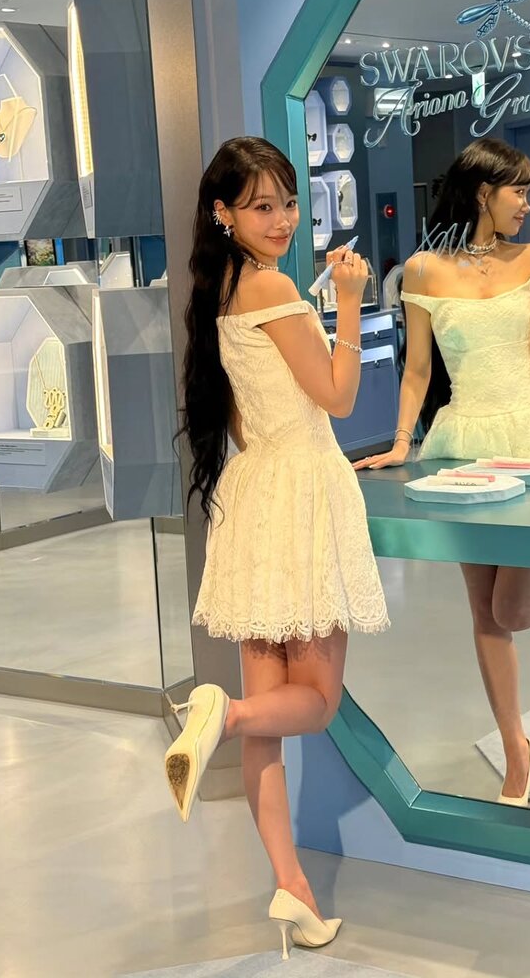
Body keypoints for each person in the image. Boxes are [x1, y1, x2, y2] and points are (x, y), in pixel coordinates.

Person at [165, 136, 389, 959]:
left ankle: (292, 886)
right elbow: (337, 395)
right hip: (301, 493)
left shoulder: (218, 292)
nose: (284, 219)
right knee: (315, 702)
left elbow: (241, 416)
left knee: (272, 721)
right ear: (224, 213)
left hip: (256, 493)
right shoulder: (272, 286)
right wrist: (352, 302)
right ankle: (219, 713)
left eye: (289, 203)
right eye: (263, 206)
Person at [354, 137, 530, 808]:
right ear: (482, 192)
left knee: (513, 611)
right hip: (463, 442)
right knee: (486, 614)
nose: (527, 204)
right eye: (517, 191)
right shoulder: (422, 270)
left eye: (527, 191)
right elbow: (417, 370)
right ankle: (516, 750)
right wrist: (402, 442)